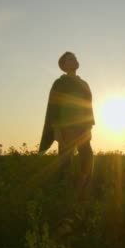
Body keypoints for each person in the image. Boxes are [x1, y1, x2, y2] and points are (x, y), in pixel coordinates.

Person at [39, 52, 94, 188]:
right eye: (71, 59)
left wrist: (89, 127)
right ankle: (63, 190)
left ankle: (84, 188)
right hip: (65, 127)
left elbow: (88, 107)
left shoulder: (84, 84)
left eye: (75, 58)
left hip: (82, 127)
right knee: (65, 160)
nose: (75, 60)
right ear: (64, 65)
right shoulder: (60, 83)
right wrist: (57, 130)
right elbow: (53, 108)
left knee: (87, 156)